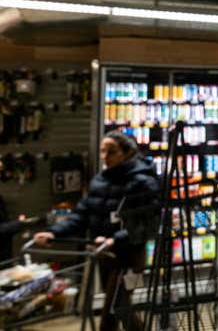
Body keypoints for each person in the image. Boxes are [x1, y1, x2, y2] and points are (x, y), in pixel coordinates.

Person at [33, 131, 160, 331]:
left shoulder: (143, 182)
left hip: (131, 256)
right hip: (104, 256)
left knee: (113, 308)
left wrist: (115, 239)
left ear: (128, 153)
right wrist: (54, 232)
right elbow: (81, 215)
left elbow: (146, 224)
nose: (105, 157)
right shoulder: (99, 180)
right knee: (121, 307)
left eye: (112, 152)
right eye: (102, 151)